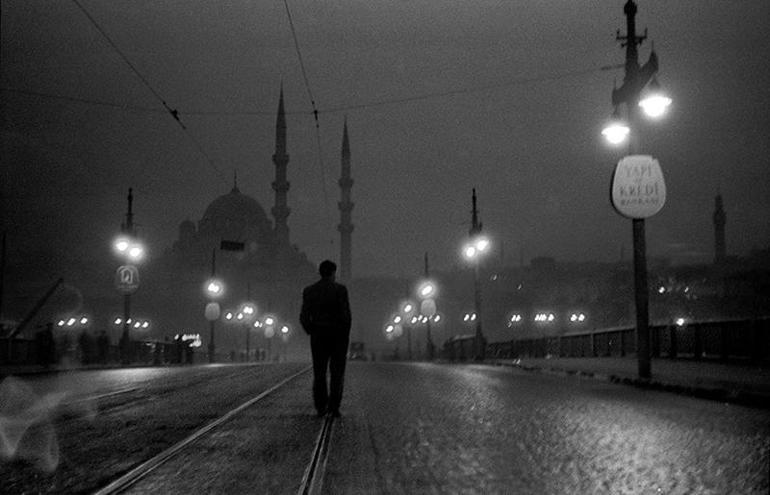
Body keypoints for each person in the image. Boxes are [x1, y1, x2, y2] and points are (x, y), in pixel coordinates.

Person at [300, 260, 352, 418]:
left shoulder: (310, 291)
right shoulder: (340, 290)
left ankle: (320, 405)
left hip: (318, 336)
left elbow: (304, 315)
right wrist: (344, 335)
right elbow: (346, 316)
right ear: (333, 273)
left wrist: (311, 330)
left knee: (319, 373)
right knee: (337, 374)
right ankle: (334, 407)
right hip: (337, 337)